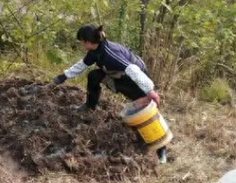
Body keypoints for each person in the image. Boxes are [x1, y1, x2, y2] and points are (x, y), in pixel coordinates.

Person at [52, 25, 167, 163]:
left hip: (136, 79)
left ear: (87, 41)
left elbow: (133, 69)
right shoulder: (95, 51)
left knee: (145, 112)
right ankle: (90, 106)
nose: (81, 44)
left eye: (81, 41)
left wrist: (150, 91)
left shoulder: (110, 53)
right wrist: (63, 76)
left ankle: (161, 151)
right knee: (94, 75)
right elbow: (82, 64)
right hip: (117, 76)